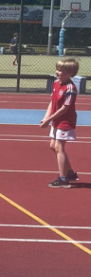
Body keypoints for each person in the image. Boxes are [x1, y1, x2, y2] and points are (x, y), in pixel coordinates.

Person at [39, 58, 80, 188]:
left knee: (59, 147)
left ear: (70, 73)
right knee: (53, 146)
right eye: (57, 69)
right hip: (56, 120)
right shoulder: (56, 83)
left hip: (65, 121)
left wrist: (49, 120)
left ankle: (63, 179)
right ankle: (70, 172)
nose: (57, 72)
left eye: (60, 70)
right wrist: (46, 117)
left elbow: (65, 108)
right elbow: (52, 101)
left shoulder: (70, 88)